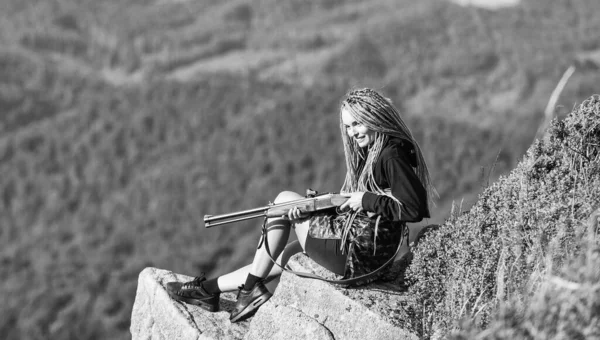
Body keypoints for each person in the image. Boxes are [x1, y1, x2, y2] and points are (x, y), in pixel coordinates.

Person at [167, 88, 435, 323]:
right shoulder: (381, 148)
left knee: (284, 200)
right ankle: (209, 291)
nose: (353, 133)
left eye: (358, 124)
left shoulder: (391, 154)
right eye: (348, 127)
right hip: (365, 251)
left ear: (374, 117)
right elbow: (379, 207)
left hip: (358, 256)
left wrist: (362, 199)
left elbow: (414, 208)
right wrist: (328, 207)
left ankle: (249, 290)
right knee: (288, 254)